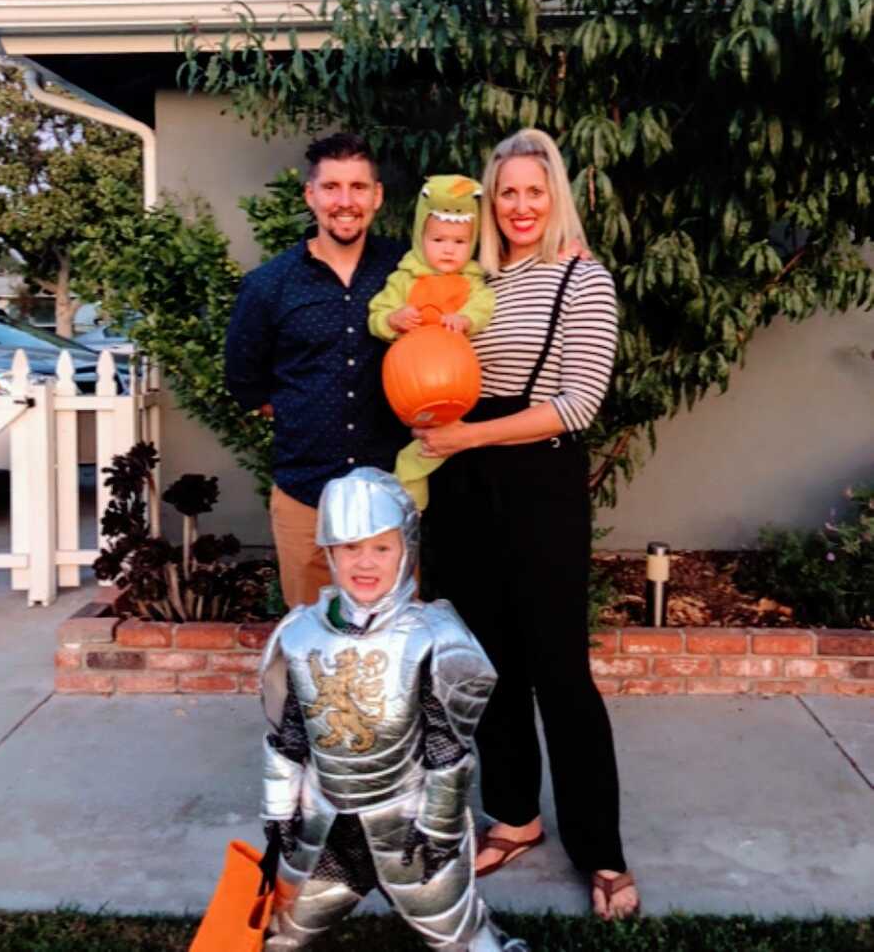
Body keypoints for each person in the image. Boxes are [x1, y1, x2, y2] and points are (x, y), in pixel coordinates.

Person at [415, 128, 640, 920]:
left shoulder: (583, 278)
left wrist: (465, 435)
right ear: (489, 199)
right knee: (490, 663)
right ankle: (516, 813)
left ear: (556, 198)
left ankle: (602, 850)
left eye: (533, 192)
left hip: (539, 479)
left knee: (559, 670)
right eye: (506, 192)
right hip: (464, 482)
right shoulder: (467, 280)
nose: (519, 206)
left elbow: (577, 403)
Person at [257, 467, 529, 951]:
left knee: (461, 937)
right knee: (283, 933)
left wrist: (440, 827)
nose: (366, 563)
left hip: (407, 821)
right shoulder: (298, 634)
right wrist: (279, 811)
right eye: (350, 548)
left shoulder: (434, 636)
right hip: (323, 821)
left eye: (381, 548)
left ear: (406, 550)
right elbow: (291, 737)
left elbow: (448, 749)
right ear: (330, 552)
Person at [224, 134, 407, 608]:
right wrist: (301, 412)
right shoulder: (270, 285)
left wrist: (563, 250)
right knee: (311, 642)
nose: (345, 202)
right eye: (331, 187)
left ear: (377, 196)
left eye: (358, 187)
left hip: (390, 493)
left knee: (390, 644)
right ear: (310, 195)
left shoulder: (408, 271)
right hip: (306, 496)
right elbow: (245, 381)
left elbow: (473, 277)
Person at [368, 174, 495, 510]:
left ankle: (412, 495)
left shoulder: (473, 282)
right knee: (422, 441)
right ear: (420, 237)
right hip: (412, 383)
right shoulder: (403, 278)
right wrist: (392, 320)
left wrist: (466, 319)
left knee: (436, 445)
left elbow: (483, 307)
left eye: (459, 242)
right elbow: (376, 315)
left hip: (456, 382)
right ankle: (409, 502)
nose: (449, 249)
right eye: (438, 239)